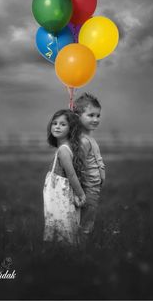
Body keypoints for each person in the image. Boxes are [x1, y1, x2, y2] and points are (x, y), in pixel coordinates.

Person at [43, 109, 86, 246]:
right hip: (57, 192)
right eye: (54, 123)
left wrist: (80, 193)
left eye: (62, 124)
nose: (57, 126)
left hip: (59, 194)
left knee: (62, 220)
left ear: (71, 128)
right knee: (61, 220)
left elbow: (71, 174)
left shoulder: (63, 150)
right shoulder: (65, 147)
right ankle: (61, 247)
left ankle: (63, 247)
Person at [73, 93, 106, 243]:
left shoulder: (89, 138)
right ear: (78, 116)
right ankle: (79, 250)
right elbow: (77, 168)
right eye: (91, 115)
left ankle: (80, 246)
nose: (96, 119)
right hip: (87, 189)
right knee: (85, 223)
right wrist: (79, 193)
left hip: (93, 188)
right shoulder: (83, 141)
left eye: (98, 115)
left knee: (88, 220)